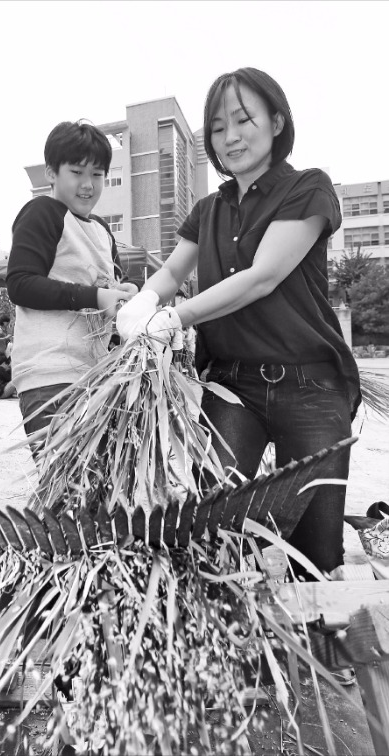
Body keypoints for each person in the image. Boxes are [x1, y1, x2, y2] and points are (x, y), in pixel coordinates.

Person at [117, 67, 361, 579]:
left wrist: (175, 316)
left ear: (276, 121)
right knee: (215, 534)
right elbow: (171, 271)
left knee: (315, 553)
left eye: (243, 119)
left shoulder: (307, 188)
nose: (230, 137)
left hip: (311, 385)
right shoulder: (208, 209)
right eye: (218, 127)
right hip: (232, 387)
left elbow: (262, 277)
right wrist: (143, 301)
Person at [6, 120, 137, 451]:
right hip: (50, 377)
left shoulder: (104, 232)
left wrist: (126, 296)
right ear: (51, 173)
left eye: (97, 174)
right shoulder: (43, 213)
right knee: (69, 494)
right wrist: (94, 296)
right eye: (77, 172)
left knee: (98, 493)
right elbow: (20, 284)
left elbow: (112, 287)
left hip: (97, 376)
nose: (87, 185)